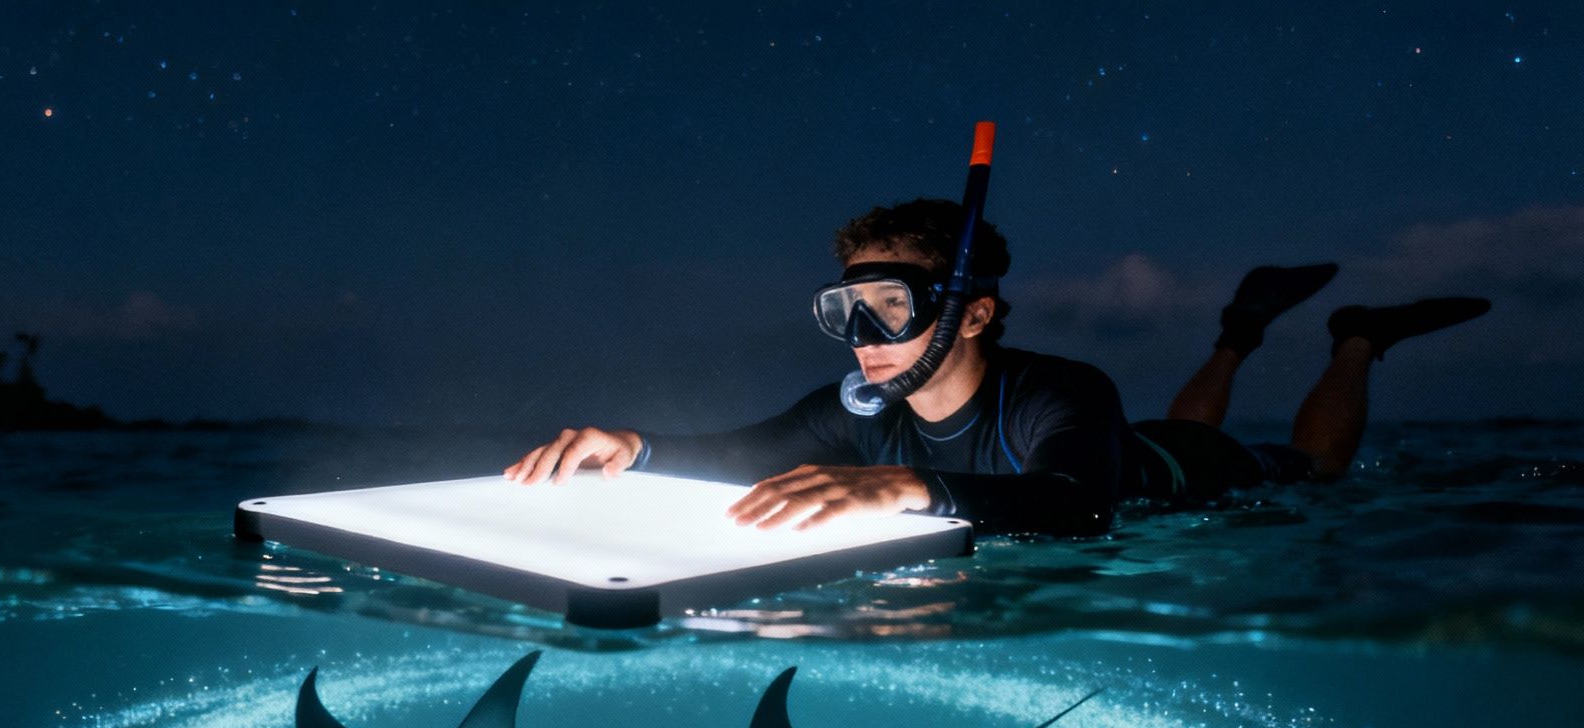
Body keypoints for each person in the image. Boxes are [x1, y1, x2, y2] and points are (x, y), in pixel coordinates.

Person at [503, 198, 1488, 536]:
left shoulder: (1064, 392)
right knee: (1199, 411)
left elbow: (1074, 507)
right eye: (846, 310)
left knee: (1307, 471)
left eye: (890, 306)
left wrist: (905, 486)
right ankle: (1239, 328)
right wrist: (631, 446)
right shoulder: (849, 406)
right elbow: (743, 451)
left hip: (1190, 479)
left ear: (969, 314)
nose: (863, 333)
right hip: (1124, 449)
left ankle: (1356, 337)